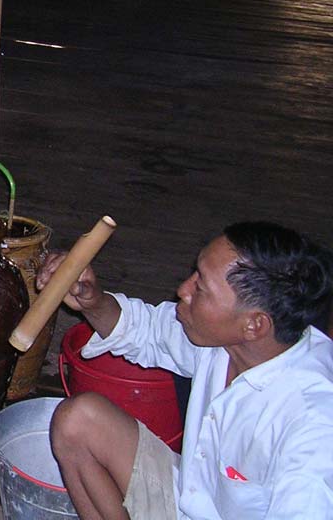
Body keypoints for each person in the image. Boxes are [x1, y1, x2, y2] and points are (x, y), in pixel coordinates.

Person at [42, 221, 333, 520]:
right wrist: (93, 301)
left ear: (254, 324)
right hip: (190, 499)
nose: (183, 289)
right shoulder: (227, 340)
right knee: (77, 420)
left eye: (201, 287)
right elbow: (149, 330)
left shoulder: (313, 424)